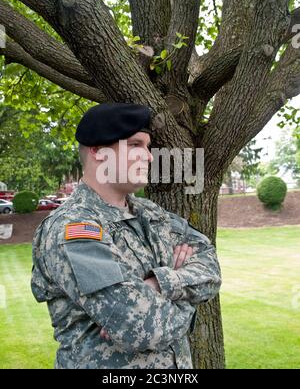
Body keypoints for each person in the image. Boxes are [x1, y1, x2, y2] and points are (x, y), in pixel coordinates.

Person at [31, 102, 221, 369]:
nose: (150, 156)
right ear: (98, 151)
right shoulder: (73, 228)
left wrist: (160, 283)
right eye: (135, 145)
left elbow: (211, 266)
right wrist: (190, 298)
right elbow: (141, 327)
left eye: (147, 146)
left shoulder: (150, 213)